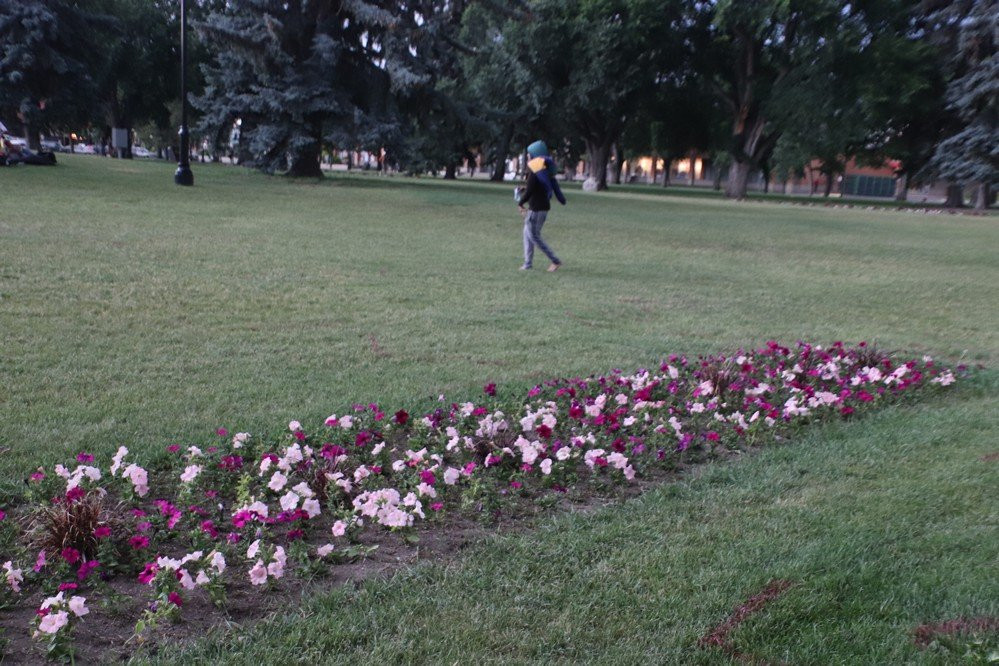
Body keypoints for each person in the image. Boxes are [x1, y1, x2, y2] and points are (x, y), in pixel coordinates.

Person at [517, 140, 566, 271]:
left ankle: (555, 261)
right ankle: (528, 263)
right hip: (542, 208)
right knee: (527, 233)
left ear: (534, 155)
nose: (528, 157)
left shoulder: (535, 171)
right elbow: (536, 188)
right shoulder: (544, 171)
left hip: (536, 210)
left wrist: (520, 202)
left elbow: (530, 191)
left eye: (529, 154)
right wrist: (524, 189)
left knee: (534, 236)